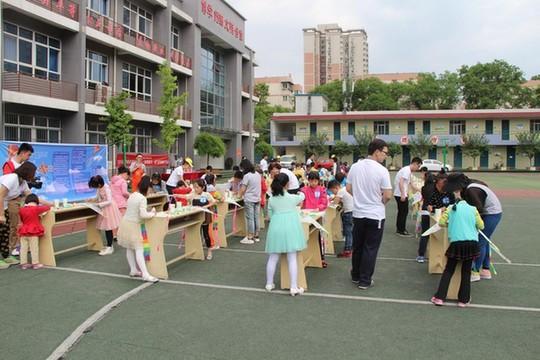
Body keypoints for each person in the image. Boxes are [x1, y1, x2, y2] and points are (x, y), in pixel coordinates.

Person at [346, 139, 392, 290]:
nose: (386, 156)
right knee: (370, 248)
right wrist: (380, 202)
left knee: (358, 246)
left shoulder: (355, 166)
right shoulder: (381, 170)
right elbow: (388, 195)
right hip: (375, 214)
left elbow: (348, 188)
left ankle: (356, 275)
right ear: (377, 151)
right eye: (385, 153)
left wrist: (359, 197)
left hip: (358, 213)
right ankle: (365, 280)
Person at [445, 173, 502, 282]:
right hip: (489, 212)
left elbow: (478, 209)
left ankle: (475, 271)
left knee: (480, 241)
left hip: (491, 214)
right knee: (485, 240)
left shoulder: (471, 190)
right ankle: (485, 270)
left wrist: (472, 223)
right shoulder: (471, 185)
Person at [431, 194, 484, 307]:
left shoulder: (450, 208)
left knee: (449, 270)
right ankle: (463, 300)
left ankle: (440, 297)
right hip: (471, 243)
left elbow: (441, 223)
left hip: (456, 243)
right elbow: (481, 225)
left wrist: (451, 224)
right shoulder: (473, 209)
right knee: (466, 272)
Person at [264, 173, 306, 296]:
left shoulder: (271, 199)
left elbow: (270, 215)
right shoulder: (292, 198)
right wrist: (300, 191)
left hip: (276, 227)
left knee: (273, 257)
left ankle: (269, 283)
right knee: (292, 258)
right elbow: (302, 196)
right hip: (290, 228)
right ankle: (293, 286)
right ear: (287, 184)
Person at [0, 162, 42, 269]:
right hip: (1, 206)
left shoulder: (22, 183)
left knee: (5, 232)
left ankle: (5, 256)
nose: (33, 175)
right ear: (27, 172)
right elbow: (0, 195)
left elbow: (31, 197)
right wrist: (1, 215)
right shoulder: (12, 178)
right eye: (33, 173)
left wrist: (49, 204)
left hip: (4, 206)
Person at [117, 175, 158, 282]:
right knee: (139, 249)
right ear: (147, 188)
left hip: (125, 223)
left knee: (129, 248)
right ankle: (145, 274)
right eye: (150, 189)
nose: (150, 191)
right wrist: (152, 213)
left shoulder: (133, 194)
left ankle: (133, 270)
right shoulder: (142, 198)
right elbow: (143, 215)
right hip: (134, 225)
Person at [2, 142, 34, 257]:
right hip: (10, 199)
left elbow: (25, 186)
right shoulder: (9, 165)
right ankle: (13, 247)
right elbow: (7, 186)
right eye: (29, 155)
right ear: (23, 152)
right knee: (13, 224)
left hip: (20, 197)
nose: (29, 157)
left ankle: (21, 244)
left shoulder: (24, 165)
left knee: (24, 223)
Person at [177, 179, 217, 260]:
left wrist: (206, 206)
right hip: (195, 217)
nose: (195, 189)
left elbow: (214, 202)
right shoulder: (193, 194)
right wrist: (176, 195)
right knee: (196, 234)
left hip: (205, 216)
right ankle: (197, 250)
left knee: (206, 234)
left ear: (202, 188)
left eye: (197, 187)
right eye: (194, 187)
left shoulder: (207, 194)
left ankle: (209, 251)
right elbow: (185, 197)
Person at [88, 175, 122, 256]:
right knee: (107, 228)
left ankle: (110, 247)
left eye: (95, 186)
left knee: (108, 228)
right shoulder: (100, 188)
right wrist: (92, 199)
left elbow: (109, 201)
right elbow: (97, 196)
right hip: (104, 208)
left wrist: (99, 204)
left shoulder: (106, 188)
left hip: (109, 209)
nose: (95, 188)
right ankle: (109, 246)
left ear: (99, 184)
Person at [301, 171, 329, 267]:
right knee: (306, 236)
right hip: (307, 216)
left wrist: (318, 208)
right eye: (311, 181)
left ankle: (321, 258)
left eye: (315, 181)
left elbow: (324, 202)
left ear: (318, 181)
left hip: (318, 215)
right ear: (308, 180)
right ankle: (306, 257)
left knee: (320, 238)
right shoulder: (304, 190)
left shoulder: (322, 190)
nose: (313, 183)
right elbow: (300, 201)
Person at [17, 194, 50, 269]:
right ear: (36, 201)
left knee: (23, 248)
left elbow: (22, 220)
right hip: (33, 232)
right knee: (34, 248)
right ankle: (35, 263)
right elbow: (47, 207)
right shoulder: (36, 208)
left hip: (24, 231)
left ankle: (23, 264)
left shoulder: (21, 209)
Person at [393, 157, 423, 237]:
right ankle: (401, 230)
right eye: (418, 166)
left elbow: (411, 184)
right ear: (415, 163)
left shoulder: (408, 171)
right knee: (403, 212)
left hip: (400, 194)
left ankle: (400, 229)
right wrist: (403, 194)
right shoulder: (406, 170)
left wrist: (420, 190)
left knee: (402, 212)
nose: (418, 168)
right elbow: (401, 182)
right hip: (400, 194)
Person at [238, 160, 262, 244]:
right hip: (257, 198)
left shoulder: (247, 176)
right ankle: (257, 235)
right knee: (256, 217)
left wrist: (238, 196)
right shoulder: (258, 174)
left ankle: (250, 236)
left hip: (249, 199)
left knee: (250, 218)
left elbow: (243, 189)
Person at [328, 180, 354, 258]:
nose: (333, 193)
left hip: (348, 212)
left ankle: (348, 249)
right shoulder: (345, 189)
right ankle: (351, 247)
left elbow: (335, 202)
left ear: (336, 188)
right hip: (353, 211)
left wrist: (330, 202)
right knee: (351, 231)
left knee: (347, 231)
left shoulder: (340, 191)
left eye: (332, 191)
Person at [417, 171, 436, 263]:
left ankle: (421, 255)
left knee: (425, 234)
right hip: (434, 212)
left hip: (424, 211)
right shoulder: (436, 189)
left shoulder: (424, 188)